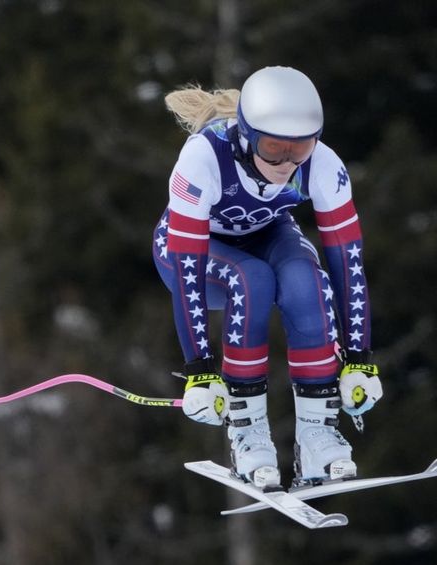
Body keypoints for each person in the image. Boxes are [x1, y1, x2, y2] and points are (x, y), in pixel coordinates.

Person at [154, 66, 382, 489]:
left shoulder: (323, 164)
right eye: (273, 149)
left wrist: (359, 361)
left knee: (306, 280)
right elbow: (188, 269)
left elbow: (348, 264)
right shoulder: (203, 158)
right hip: (189, 252)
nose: (286, 164)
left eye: (300, 149)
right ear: (246, 136)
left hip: (267, 233)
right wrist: (200, 370)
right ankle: (248, 433)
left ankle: (317, 436)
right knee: (253, 280)